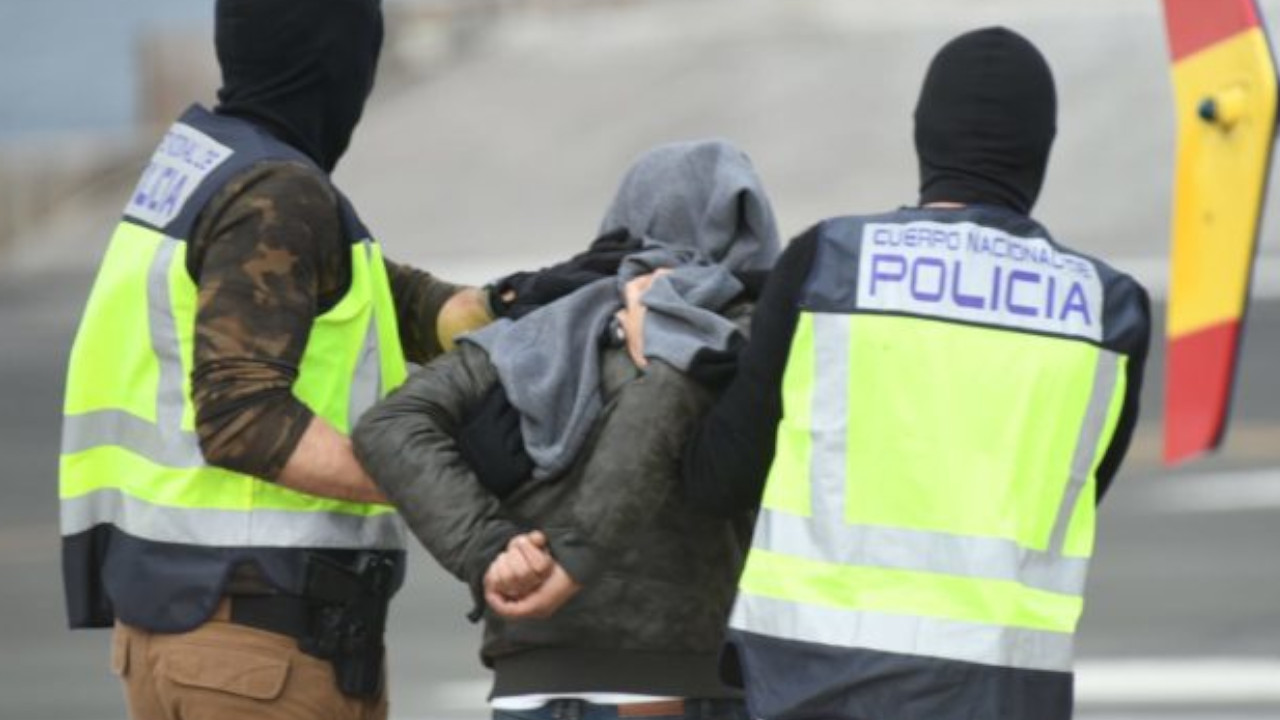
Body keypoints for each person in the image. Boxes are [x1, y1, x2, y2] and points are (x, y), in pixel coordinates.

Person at [656, 27, 1151, 720]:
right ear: (1039, 147)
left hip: (807, 682)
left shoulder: (829, 262)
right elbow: (1075, 492)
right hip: (1004, 693)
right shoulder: (1108, 308)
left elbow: (719, 476)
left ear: (925, 136)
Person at [58, 1, 512, 717]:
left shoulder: (207, 163)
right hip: (258, 650)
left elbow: (388, 298)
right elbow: (243, 419)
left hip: (194, 630)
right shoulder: (277, 193)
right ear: (332, 62)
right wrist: (440, 480)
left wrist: (522, 305)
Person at [353, 139, 779, 720]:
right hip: (679, 681)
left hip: (528, 683)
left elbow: (391, 425)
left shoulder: (542, 325)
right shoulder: (745, 342)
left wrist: (490, 546)